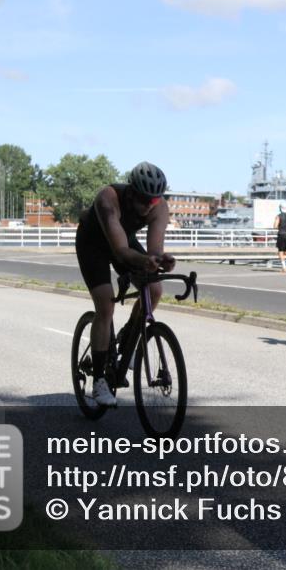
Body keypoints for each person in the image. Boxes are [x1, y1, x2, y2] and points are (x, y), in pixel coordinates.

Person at [75, 162, 176, 407]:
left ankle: (128, 336)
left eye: (152, 201)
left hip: (123, 242)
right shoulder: (108, 198)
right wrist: (145, 261)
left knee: (154, 289)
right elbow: (120, 251)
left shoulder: (159, 207)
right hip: (93, 244)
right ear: (131, 192)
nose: (146, 206)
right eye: (143, 199)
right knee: (106, 306)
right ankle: (99, 381)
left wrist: (162, 260)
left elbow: (154, 249)